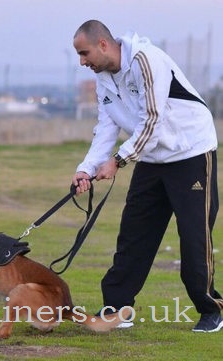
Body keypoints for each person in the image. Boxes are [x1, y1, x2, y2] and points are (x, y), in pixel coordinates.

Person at [71, 20, 223, 332]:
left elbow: (152, 119)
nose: (82, 61)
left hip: (191, 152)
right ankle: (118, 308)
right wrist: (85, 168)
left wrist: (118, 160)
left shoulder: (146, 60)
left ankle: (212, 309)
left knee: (194, 238)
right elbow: (107, 127)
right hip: (151, 158)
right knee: (134, 235)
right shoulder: (103, 77)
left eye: (84, 53)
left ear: (103, 44)